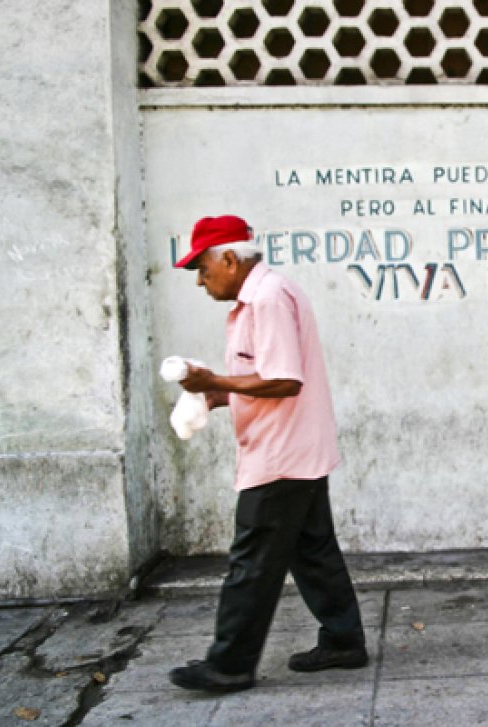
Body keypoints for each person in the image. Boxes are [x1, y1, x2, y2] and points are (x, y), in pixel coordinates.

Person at [168, 215, 368, 693]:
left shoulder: (267, 298)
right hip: (294, 447)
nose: (200, 280)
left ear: (230, 259)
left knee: (252, 558)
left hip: (280, 454)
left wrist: (213, 381)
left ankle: (230, 664)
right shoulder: (258, 298)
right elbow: (263, 377)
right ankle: (343, 641)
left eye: (202, 268)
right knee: (312, 548)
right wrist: (215, 396)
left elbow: (284, 379)